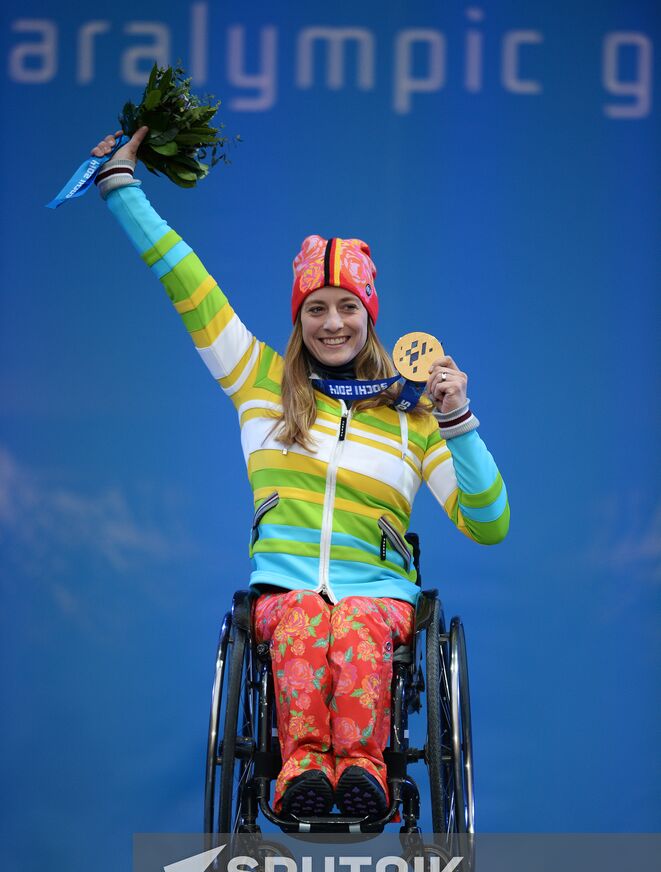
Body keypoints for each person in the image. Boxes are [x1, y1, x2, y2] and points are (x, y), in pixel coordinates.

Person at [90, 126, 510, 819]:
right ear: (298, 318)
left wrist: (458, 419)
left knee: (349, 623)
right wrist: (120, 187)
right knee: (302, 624)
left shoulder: (411, 416)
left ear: (370, 318)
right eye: (316, 308)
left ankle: (363, 772)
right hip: (284, 591)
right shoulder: (255, 379)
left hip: (377, 598)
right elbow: (187, 282)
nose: (332, 322)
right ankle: (304, 770)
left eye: (348, 307)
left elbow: (487, 525)